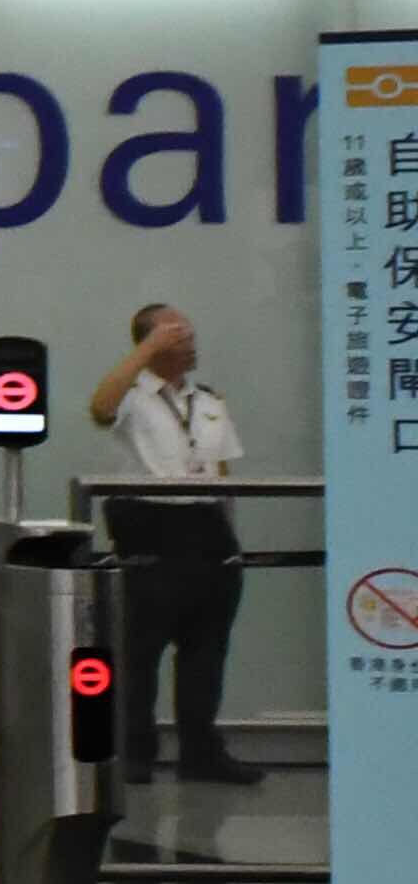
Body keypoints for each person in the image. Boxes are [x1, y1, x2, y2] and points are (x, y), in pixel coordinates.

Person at [84, 301, 258, 783]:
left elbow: (223, 474)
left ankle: (201, 752)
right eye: (175, 333)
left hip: (207, 529)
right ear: (149, 341)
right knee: (140, 650)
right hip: (150, 525)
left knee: (207, 650)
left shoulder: (209, 400)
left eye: (189, 332)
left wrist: (231, 543)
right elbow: (99, 408)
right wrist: (146, 351)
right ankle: (135, 751)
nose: (189, 340)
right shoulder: (131, 395)